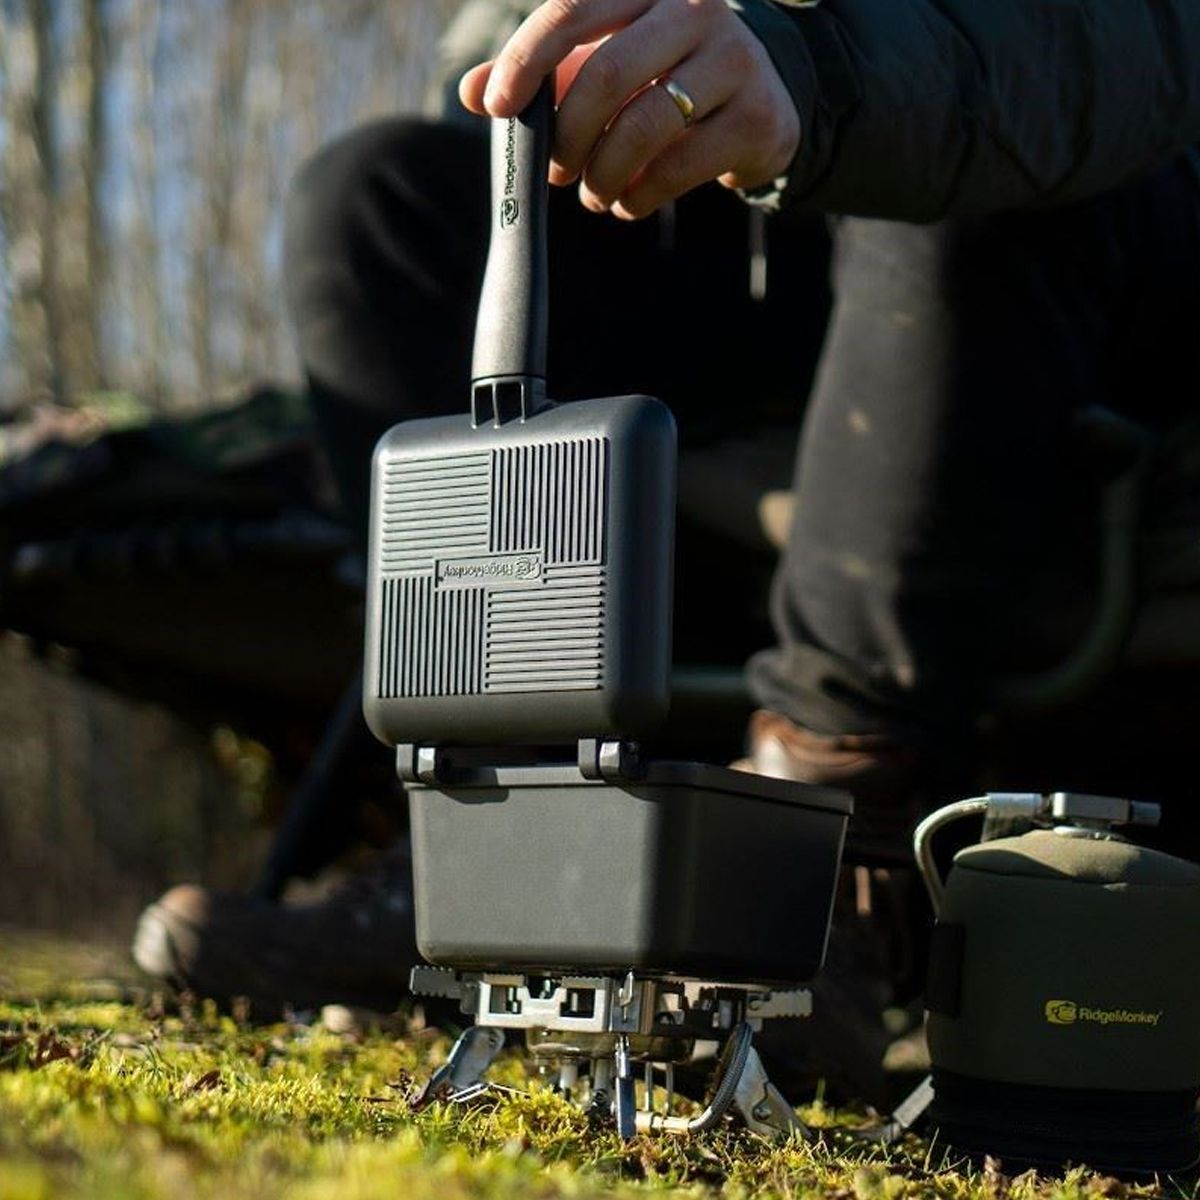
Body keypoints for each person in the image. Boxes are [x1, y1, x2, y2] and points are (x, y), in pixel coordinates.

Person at [134, 0, 1200, 1059]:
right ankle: (487, 853)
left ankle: (812, 885)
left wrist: (810, 67)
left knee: (964, 186)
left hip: (1067, 186)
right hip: (746, 228)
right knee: (381, 203)